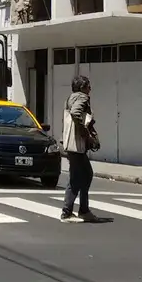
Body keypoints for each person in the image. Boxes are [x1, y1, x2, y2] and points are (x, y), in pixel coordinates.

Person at [60, 75, 99, 223]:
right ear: (82, 87)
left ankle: (82, 209)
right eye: (88, 85)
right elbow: (76, 114)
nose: (90, 88)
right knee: (80, 176)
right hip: (76, 145)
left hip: (71, 145)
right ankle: (69, 212)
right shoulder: (82, 98)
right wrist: (86, 134)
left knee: (82, 175)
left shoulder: (70, 98)